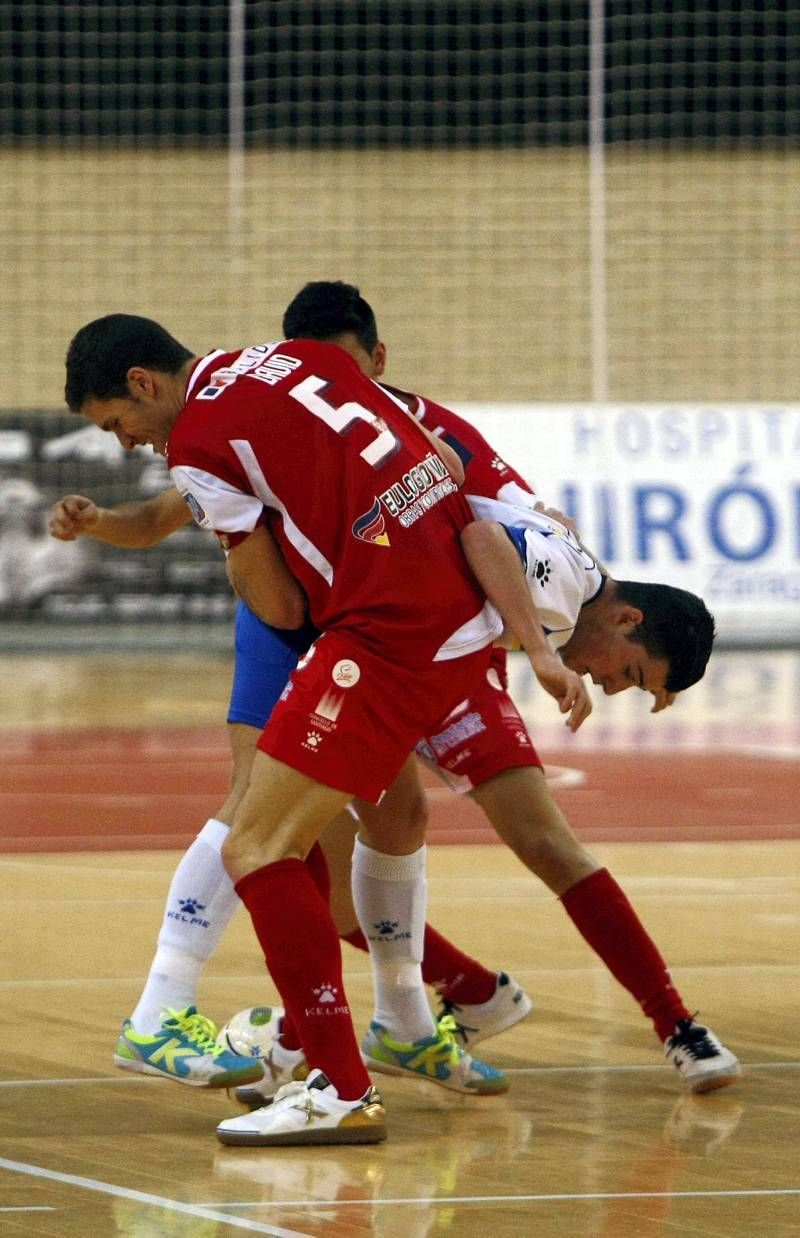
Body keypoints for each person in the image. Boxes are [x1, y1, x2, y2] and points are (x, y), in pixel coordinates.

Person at [53, 284, 739, 1125]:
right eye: (631, 675)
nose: (610, 685)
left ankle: (366, 1035)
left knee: (361, 823)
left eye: (115, 424)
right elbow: (204, 523)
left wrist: (520, 648)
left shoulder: (270, 411)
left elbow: (436, 514)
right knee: (276, 825)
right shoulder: (314, 391)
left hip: (389, 622)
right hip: (380, 621)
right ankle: (300, 1030)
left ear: (375, 364)